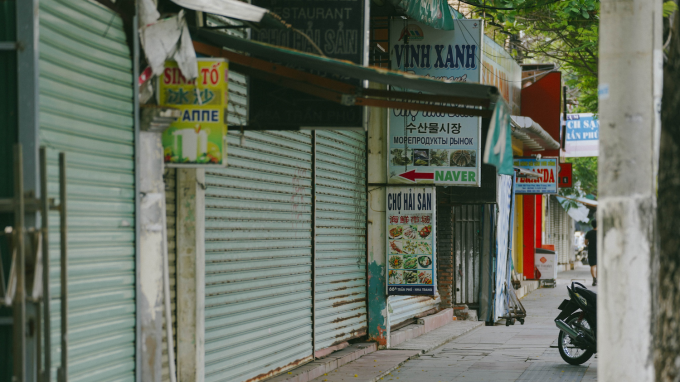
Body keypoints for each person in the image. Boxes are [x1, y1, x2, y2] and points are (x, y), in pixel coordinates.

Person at [584, 220, 598, 286]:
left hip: (591, 250)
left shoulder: (589, 233)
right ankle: (597, 279)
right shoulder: (600, 232)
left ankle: (594, 279)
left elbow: (586, 242)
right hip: (599, 251)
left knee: (593, 265)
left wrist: (588, 245)